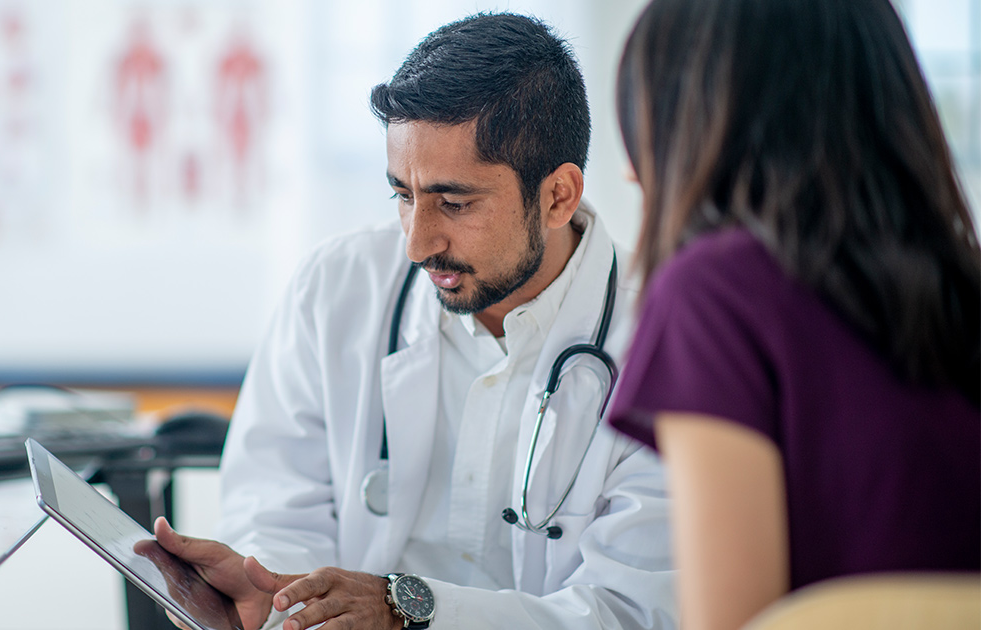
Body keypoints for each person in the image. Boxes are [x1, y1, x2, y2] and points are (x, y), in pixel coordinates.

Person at [152, 12, 677, 630]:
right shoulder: (337, 289)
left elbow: (633, 612)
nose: (417, 244)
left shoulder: (666, 342)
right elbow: (273, 512)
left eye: (454, 203)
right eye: (403, 195)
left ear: (558, 195)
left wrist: (406, 611)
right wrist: (282, 599)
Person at [606, 1, 981, 629]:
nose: (629, 170)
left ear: (699, 125)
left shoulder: (714, 296)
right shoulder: (963, 285)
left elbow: (732, 622)